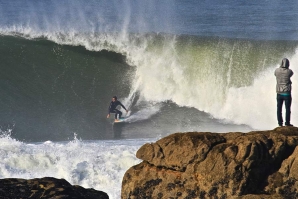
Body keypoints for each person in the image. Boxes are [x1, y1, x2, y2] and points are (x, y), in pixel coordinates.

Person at [274, 58, 294, 127]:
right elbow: (291, 74)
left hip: (279, 92)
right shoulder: (289, 71)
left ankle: (280, 123)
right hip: (287, 93)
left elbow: (275, 74)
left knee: (279, 109)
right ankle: (287, 123)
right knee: (288, 108)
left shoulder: (277, 71)